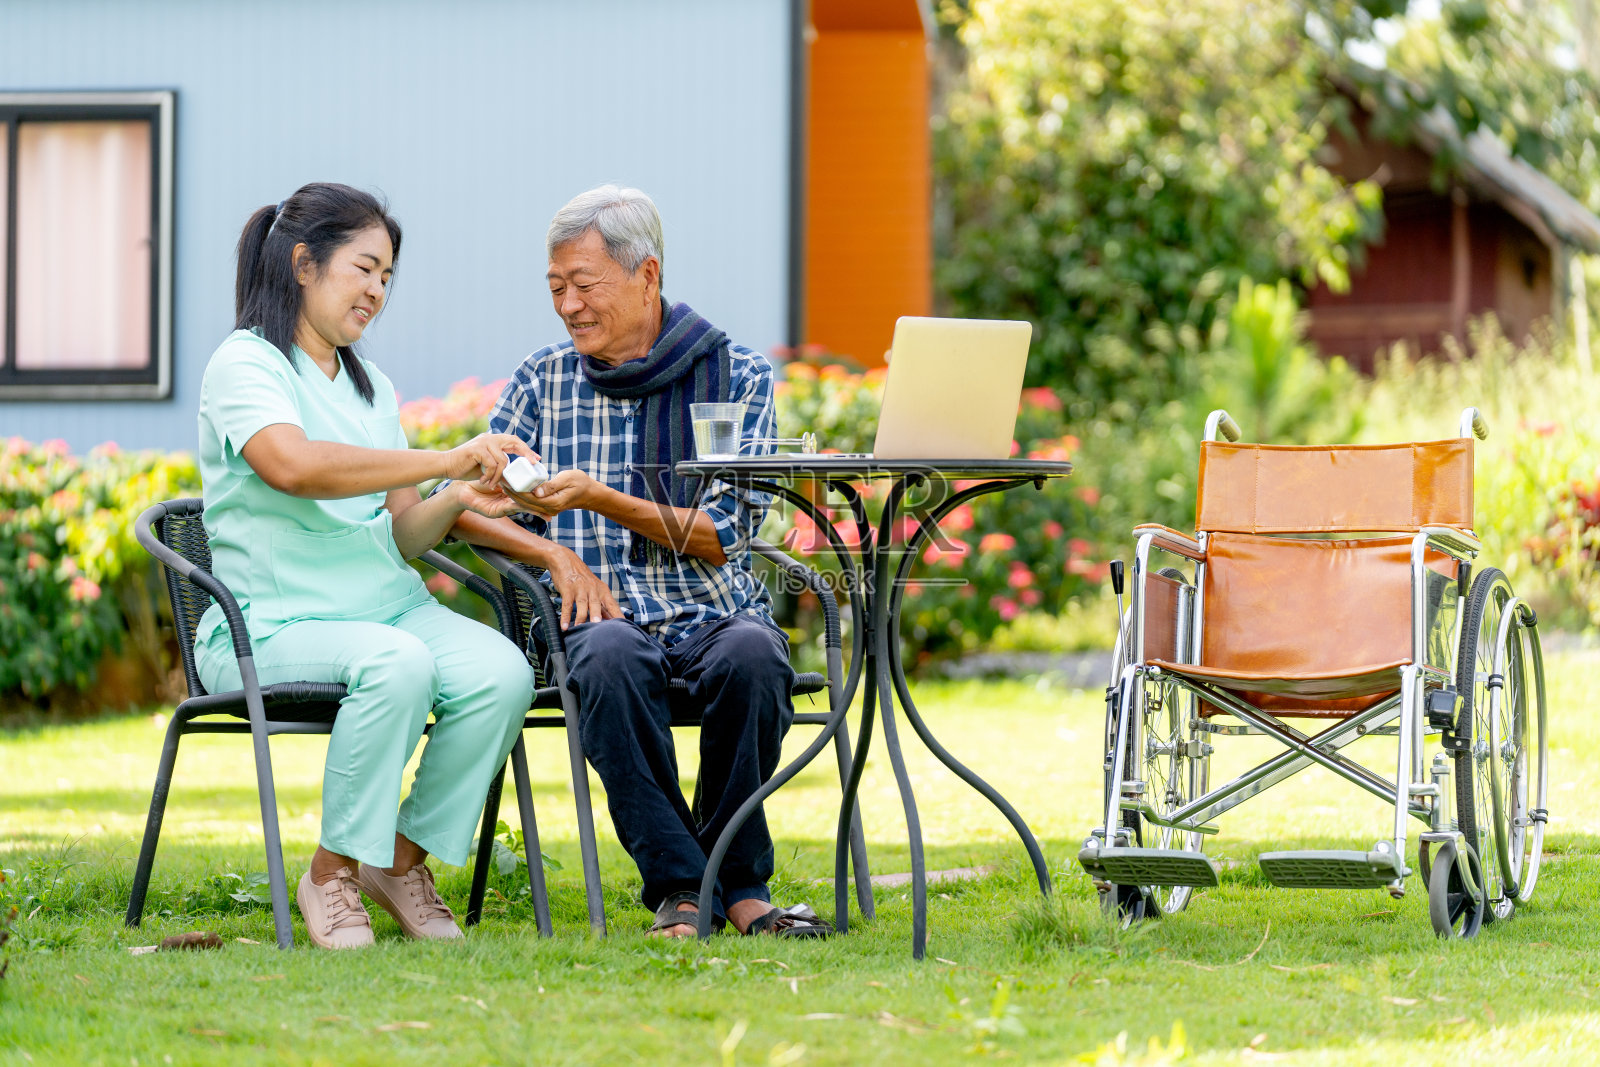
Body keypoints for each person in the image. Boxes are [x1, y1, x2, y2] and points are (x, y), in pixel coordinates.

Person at [450, 185, 830, 939]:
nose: (568, 305)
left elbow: (724, 532)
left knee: (755, 656)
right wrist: (552, 551)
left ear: (646, 275)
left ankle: (734, 879)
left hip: (712, 610)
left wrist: (599, 496)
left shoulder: (737, 376)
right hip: (597, 619)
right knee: (610, 658)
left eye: (584, 285)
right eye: (556, 287)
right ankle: (691, 886)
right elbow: (457, 502)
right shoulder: (542, 380)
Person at [193, 182, 537, 949]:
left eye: (388, 277)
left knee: (501, 673)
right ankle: (329, 875)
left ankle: (396, 861)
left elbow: (402, 533)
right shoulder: (244, 364)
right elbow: (296, 466)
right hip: (272, 623)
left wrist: (456, 495)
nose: (378, 291)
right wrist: (447, 451)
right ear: (304, 263)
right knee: (399, 662)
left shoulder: (369, 384)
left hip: (384, 608)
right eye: (365, 268)